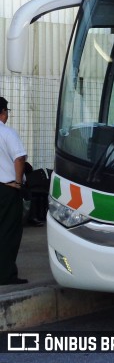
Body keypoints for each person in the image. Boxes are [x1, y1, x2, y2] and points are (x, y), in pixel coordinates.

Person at [0, 97, 28, 285]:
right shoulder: (7, 133)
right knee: (9, 232)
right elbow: (19, 158)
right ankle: (6, 274)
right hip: (8, 189)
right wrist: (18, 183)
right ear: (3, 112)